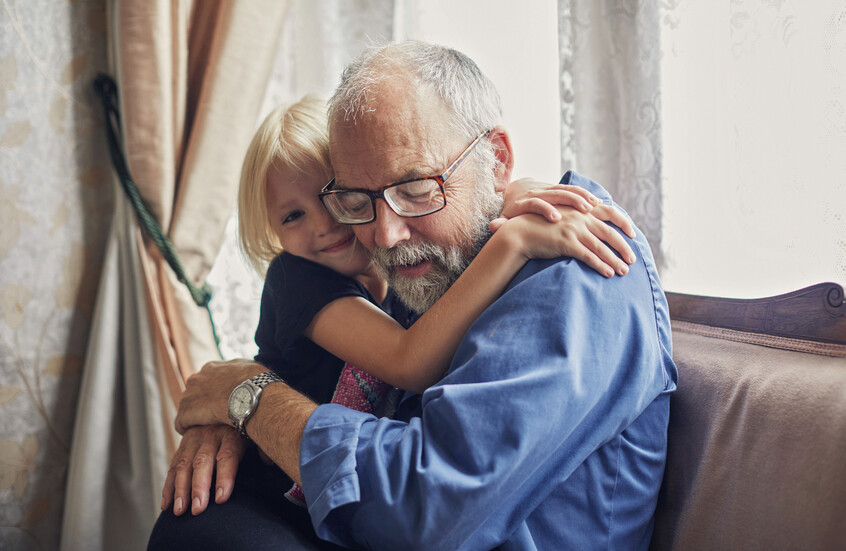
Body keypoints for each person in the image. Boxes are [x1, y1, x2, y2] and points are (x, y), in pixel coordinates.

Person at [151, 41, 676, 551]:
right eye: (357, 200)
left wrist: (254, 401)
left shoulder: (576, 271)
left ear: (496, 160)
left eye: (417, 190)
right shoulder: (424, 269)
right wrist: (237, 414)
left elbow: (428, 505)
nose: (384, 235)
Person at [233, 95, 634, 504]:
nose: (322, 224)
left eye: (335, 198)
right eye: (292, 216)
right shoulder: (295, 278)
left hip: (347, 487)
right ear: (271, 230)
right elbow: (408, 362)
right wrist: (513, 240)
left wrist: (510, 196)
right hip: (273, 492)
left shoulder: (393, 261)